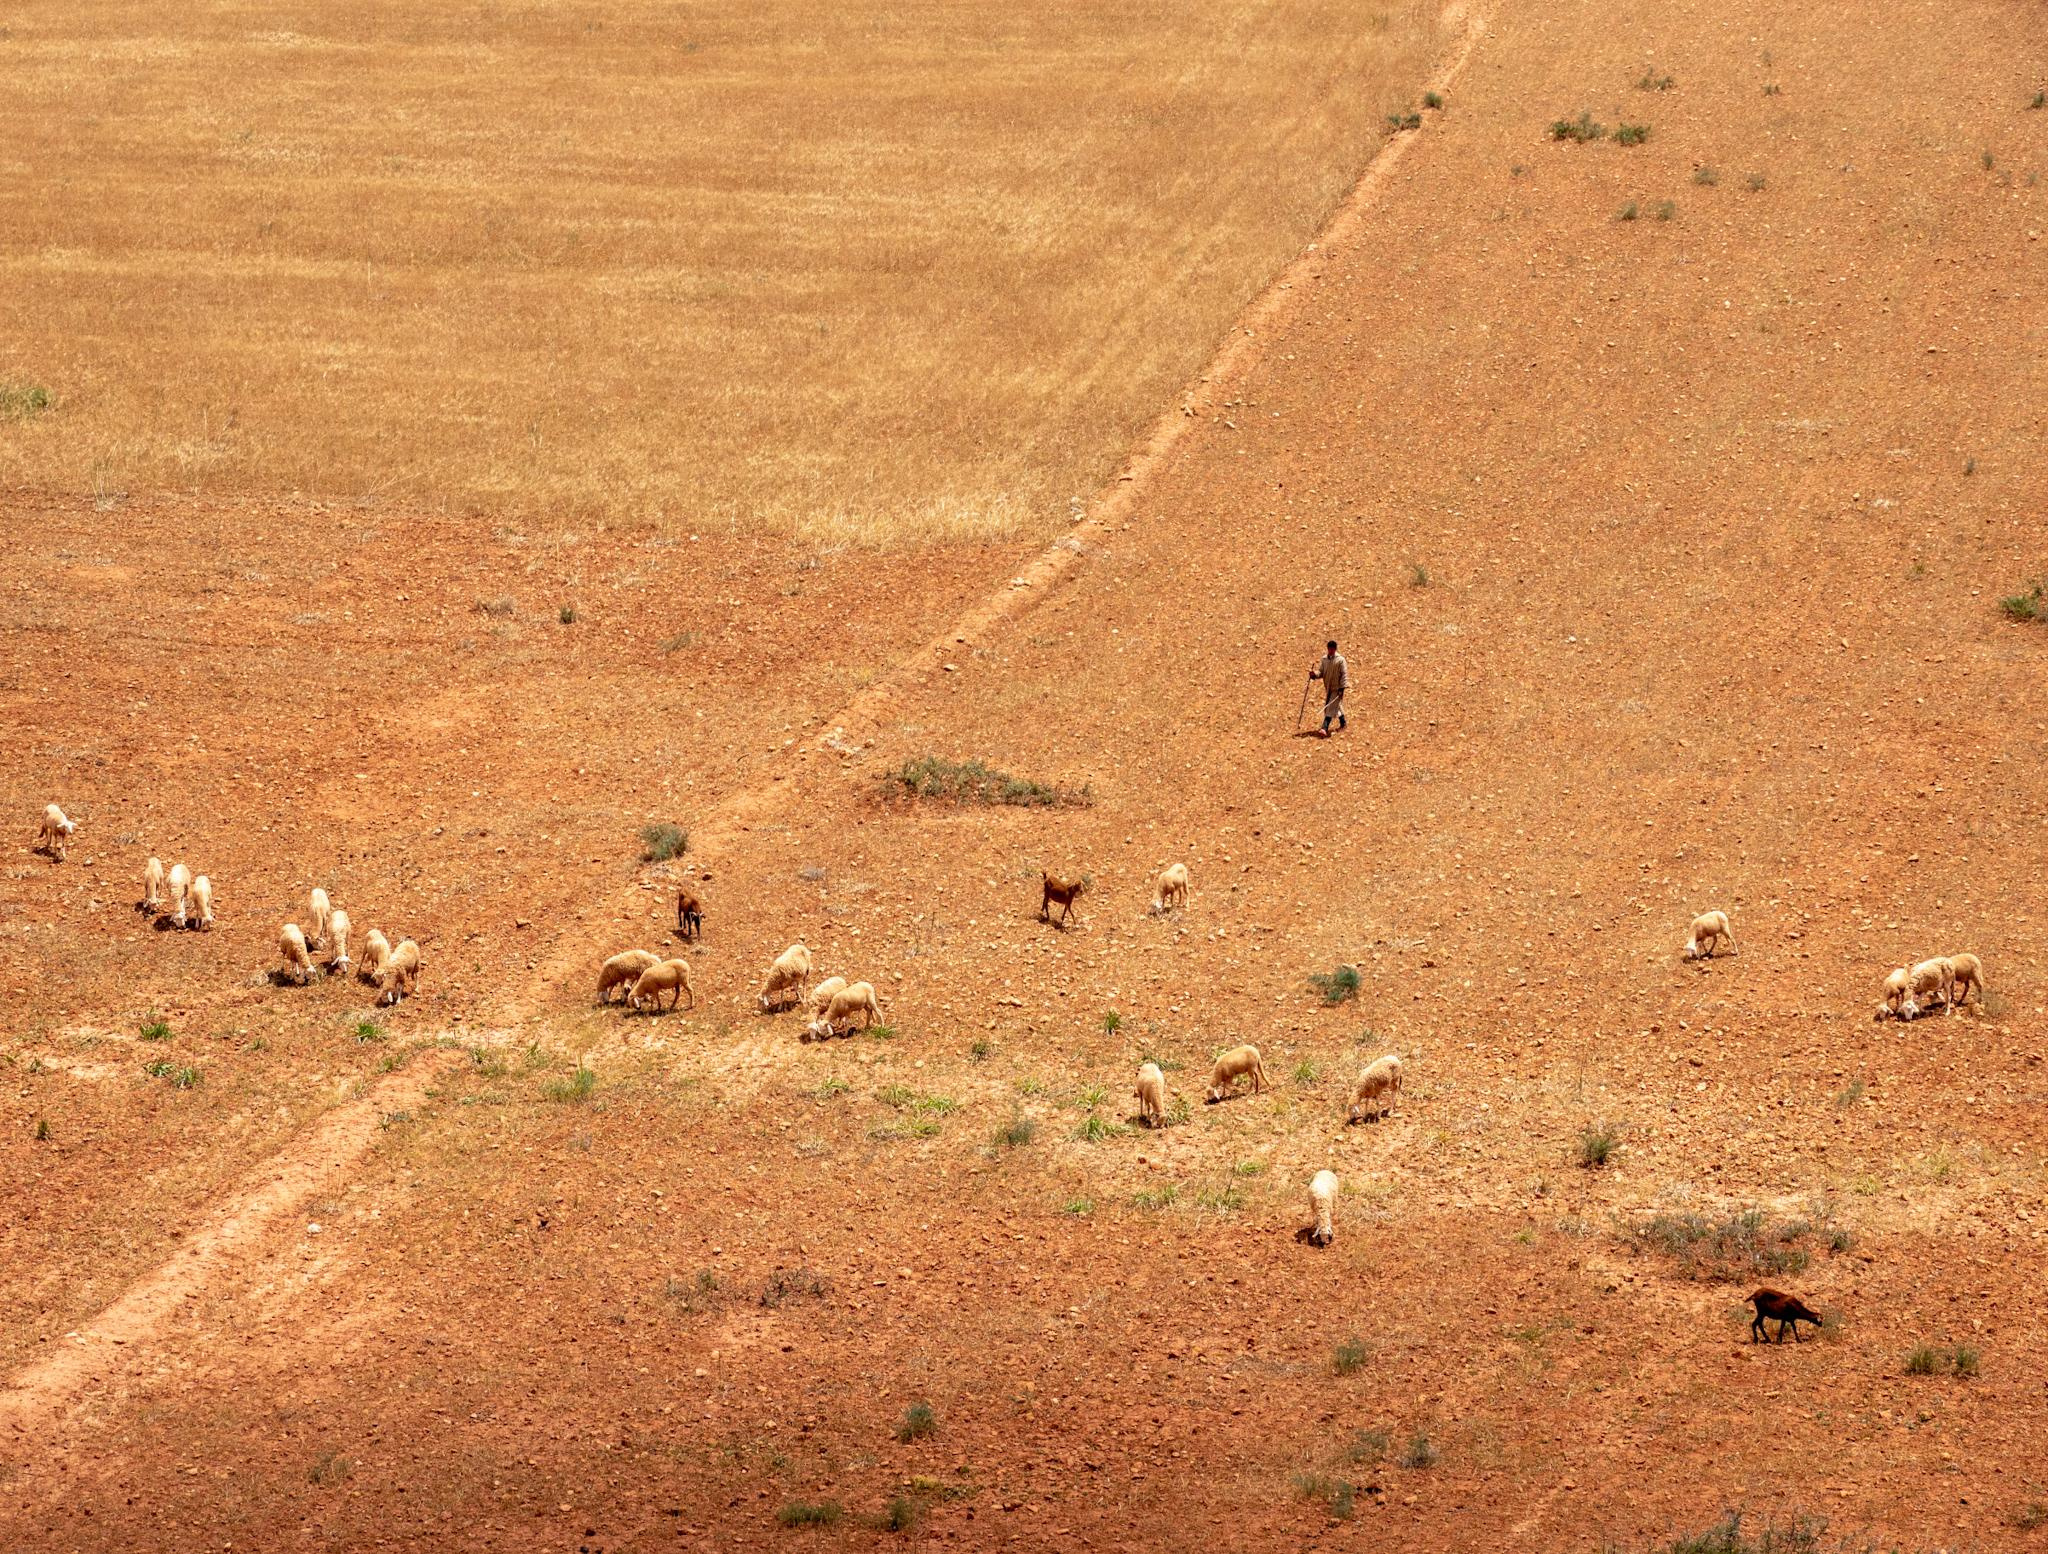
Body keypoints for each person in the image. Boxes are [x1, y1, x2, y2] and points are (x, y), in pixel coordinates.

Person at [1308, 640, 1347, 735]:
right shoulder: (1324, 660)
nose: (1330, 651)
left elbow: (1344, 674)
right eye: (1329, 649)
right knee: (1336, 706)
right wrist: (1314, 675)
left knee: (1330, 707)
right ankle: (1343, 723)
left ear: (1335, 649)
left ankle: (1324, 728)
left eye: (1332, 649)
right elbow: (1321, 672)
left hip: (1337, 688)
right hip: (1328, 687)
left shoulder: (1340, 660)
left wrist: (1342, 688)